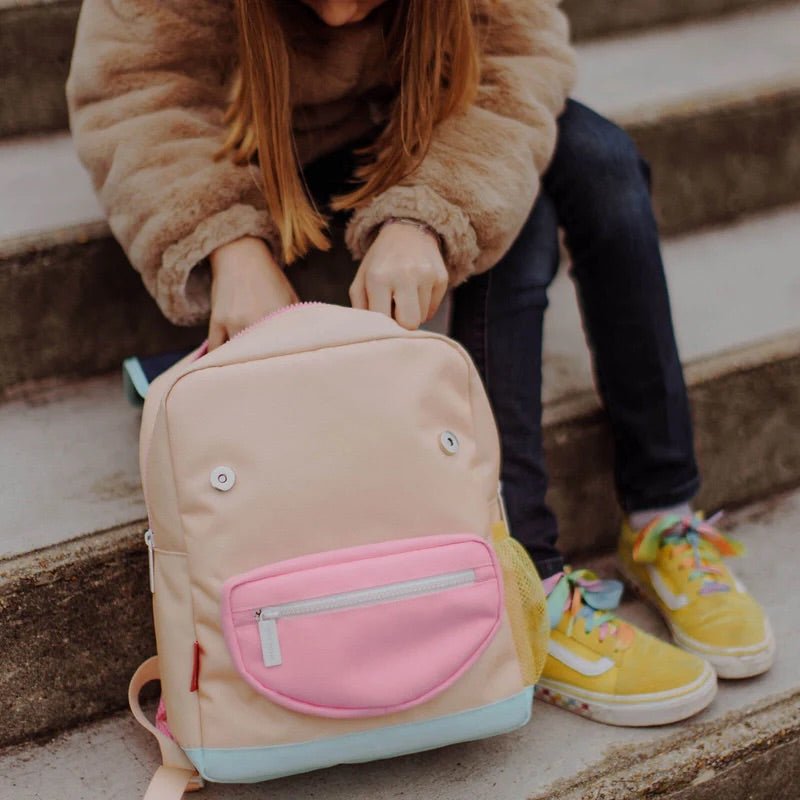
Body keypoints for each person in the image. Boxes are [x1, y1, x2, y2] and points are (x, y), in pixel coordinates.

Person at [67, 0, 773, 728]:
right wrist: (227, 243)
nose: (341, 14)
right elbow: (134, 91)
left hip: (410, 121)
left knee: (602, 159)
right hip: (254, 154)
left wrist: (430, 212)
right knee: (532, 213)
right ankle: (527, 575)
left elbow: (513, 62)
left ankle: (662, 516)